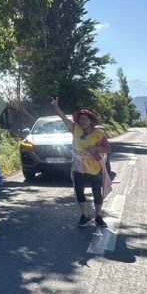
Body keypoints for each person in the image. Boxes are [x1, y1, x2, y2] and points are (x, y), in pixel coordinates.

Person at [50, 97, 112, 228]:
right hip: (78, 165)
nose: (82, 121)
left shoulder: (99, 133)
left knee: (97, 192)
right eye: (81, 119)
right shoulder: (75, 128)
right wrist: (56, 107)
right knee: (79, 190)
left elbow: (107, 149)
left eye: (85, 119)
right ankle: (84, 215)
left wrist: (96, 148)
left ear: (91, 121)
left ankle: (98, 216)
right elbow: (63, 118)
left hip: (95, 166)